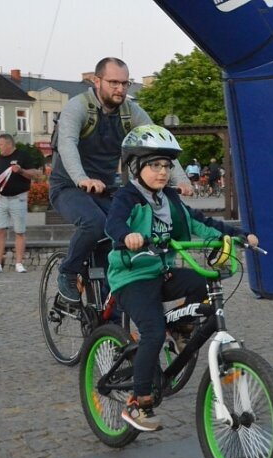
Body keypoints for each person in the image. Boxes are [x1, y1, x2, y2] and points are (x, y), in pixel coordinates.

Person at [105, 124, 258, 431]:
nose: (162, 172)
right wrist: (129, 236)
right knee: (151, 330)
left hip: (162, 271)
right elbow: (113, 224)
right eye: (154, 165)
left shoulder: (170, 200)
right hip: (132, 276)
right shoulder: (127, 197)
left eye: (166, 165)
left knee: (205, 282)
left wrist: (238, 235)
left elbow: (200, 223)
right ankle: (139, 402)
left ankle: (180, 328)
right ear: (136, 167)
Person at [49, 57, 192, 303]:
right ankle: (68, 272)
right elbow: (67, 144)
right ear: (96, 81)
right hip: (68, 186)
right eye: (113, 82)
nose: (120, 89)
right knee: (95, 224)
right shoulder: (78, 107)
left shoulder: (130, 111)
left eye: (125, 83)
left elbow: (157, 142)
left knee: (124, 231)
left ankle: (110, 318)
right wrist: (82, 178)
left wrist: (181, 179)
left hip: (104, 189)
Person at [0, 134, 41, 274]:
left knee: (19, 231)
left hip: (18, 198)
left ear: (9, 144)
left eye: (0, 144)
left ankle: (19, 263)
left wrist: (21, 171)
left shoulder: (23, 156)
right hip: (1, 199)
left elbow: (35, 173)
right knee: (0, 230)